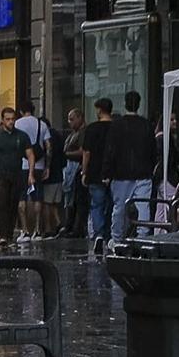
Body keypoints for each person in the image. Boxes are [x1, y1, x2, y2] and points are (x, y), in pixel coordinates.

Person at [107, 91, 160, 237]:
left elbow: (111, 151)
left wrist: (107, 172)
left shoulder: (117, 125)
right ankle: (143, 235)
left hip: (121, 174)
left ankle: (117, 238)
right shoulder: (146, 125)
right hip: (143, 173)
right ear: (139, 104)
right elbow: (152, 150)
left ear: (125, 103)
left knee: (119, 209)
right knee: (143, 207)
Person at [0, 105, 34, 249]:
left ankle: (9, 234)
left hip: (16, 174)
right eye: (8, 119)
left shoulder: (22, 136)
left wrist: (31, 174)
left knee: (12, 204)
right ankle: (3, 235)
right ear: (2, 120)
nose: (10, 122)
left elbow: (30, 155)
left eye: (12, 119)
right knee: (2, 203)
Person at [13, 102, 50, 243]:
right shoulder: (42, 125)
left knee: (22, 197)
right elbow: (48, 147)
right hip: (39, 165)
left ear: (21, 111)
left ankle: (25, 230)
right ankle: (37, 231)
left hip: (22, 165)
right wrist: (47, 166)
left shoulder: (17, 124)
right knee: (38, 197)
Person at [82, 98, 116, 253]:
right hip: (114, 172)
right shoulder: (116, 127)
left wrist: (84, 171)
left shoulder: (92, 129)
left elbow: (86, 152)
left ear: (100, 110)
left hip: (95, 171)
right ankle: (110, 235)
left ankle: (99, 234)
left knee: (96, 205)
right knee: (112, 204)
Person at [58, 109, 86, 239]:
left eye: (72, 119)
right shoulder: (72, 134)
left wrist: (66, 154)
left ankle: (76, 227)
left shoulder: (82, 133)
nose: (70, 122)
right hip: (69, 168)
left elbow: (82, 151)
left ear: (80, 118)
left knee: (77, 199)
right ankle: (69, 224)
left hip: (76, 167)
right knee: (69, 198)